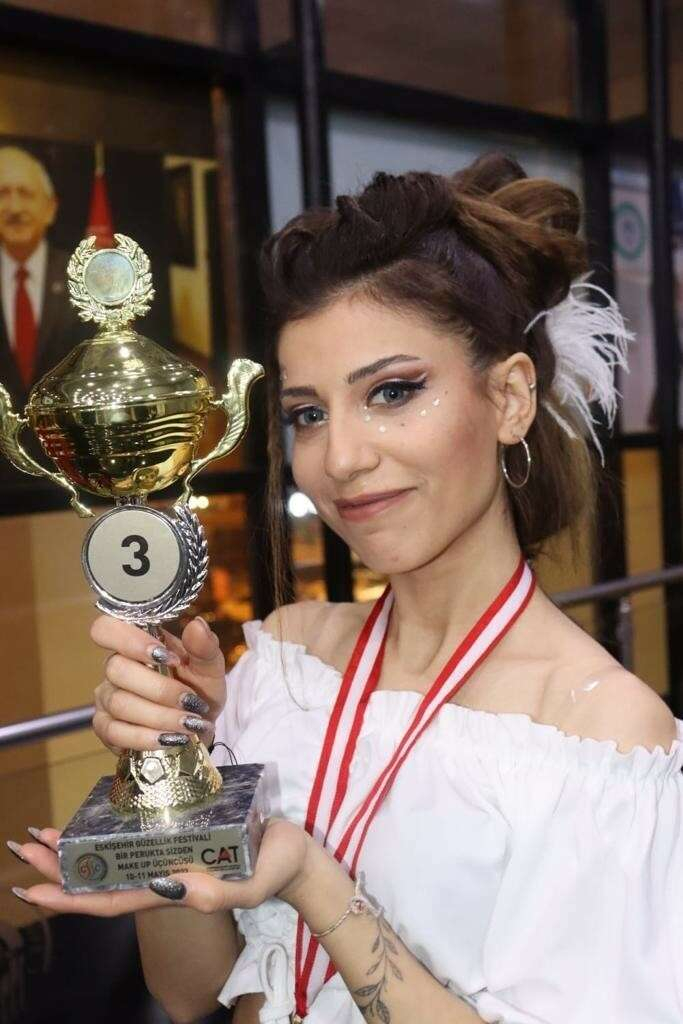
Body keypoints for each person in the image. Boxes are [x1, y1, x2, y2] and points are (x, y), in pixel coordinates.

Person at [7, 153, 683, 1024]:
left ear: (510, 398)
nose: (341, 458)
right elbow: (187, 989)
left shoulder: (601, 737)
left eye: (392, 392)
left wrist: (312, 881)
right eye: (308, 414)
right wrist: (168, 771)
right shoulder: (286, 657)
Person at [0, 146, 84, 404]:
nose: (15, 207)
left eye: (25, 193)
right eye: (2, 193)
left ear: (50, 208)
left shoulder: (82, 276)